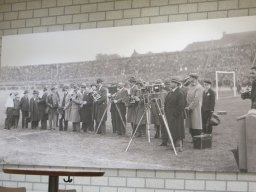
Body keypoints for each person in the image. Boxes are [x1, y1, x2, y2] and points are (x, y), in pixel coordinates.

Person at [161, 78, 186, 152]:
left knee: (177, 131)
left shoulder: (180, 93)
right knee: (171, 130)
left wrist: (175, 114)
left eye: (172, 82)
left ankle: (178, 147)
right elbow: (166, 103)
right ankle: (172, 145)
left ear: (176, 84)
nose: (170, 84)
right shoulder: (170, 92)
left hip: (176, 116)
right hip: (169, 115)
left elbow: (181, 105)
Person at [185, 73, 204, 137]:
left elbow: (196, 99)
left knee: (196, 124)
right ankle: (193, 137)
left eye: (190, 77)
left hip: (195, 108)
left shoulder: (199, 87)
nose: (189, 79)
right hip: (188, 107)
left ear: (194, 78)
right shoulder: (190, 86)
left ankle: (197, 138)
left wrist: (190, 107)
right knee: (191, 124)